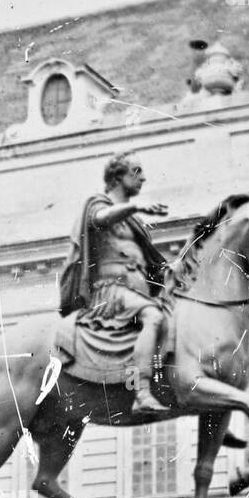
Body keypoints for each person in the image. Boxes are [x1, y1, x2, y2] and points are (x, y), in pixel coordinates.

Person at [60, 152, 172, 416]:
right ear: (118, 177)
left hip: (136, 292)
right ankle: (141, 391)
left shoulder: (135, 223)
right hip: (109, 292)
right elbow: (101, 219)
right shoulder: (97, 205)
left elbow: (154, 265)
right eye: (136, 171)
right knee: (154, 317)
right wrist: (136, 207)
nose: (143, 177)